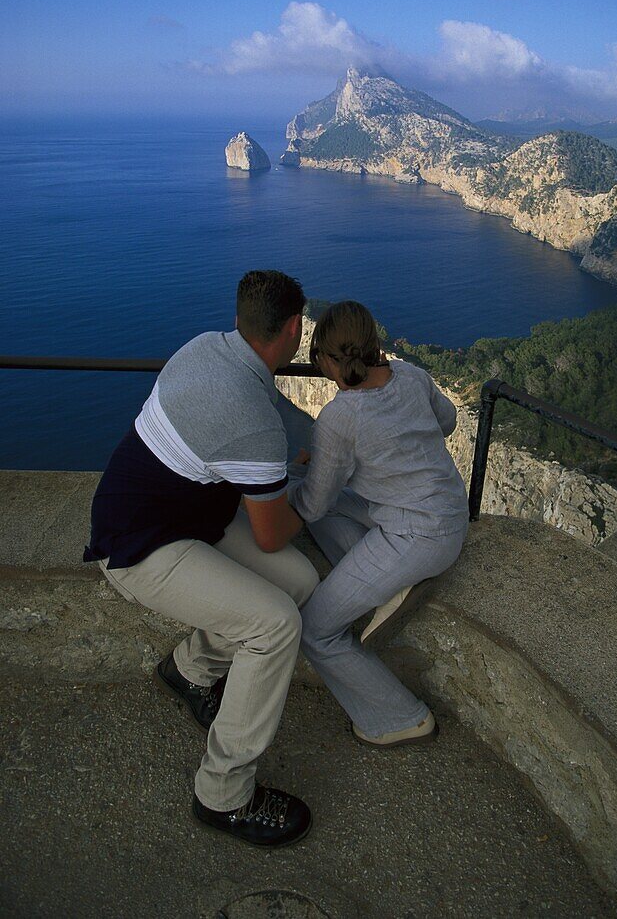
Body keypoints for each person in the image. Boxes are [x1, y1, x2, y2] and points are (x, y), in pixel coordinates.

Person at [84, 270, 319, 848]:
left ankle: (190, 670)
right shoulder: (250, 421)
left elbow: (282, 423)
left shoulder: (208, 348)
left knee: (301, 580)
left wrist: (323, 441)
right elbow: (271, 534)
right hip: (138, 548)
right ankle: (224, 794)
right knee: (275, 625)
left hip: (184, 519)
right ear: (294, 329)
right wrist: (317, 496)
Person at [289, 301, 469, 747]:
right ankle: (388, 586)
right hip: (449, 511)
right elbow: (445, 423)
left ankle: (399, 717)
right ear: (374, 343)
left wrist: (295, 480)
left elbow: (312, 506)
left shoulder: (340, 418)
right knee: (333, 502)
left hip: (416, 535)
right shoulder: (410, 375)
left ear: (327, 361)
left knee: (315, 631)